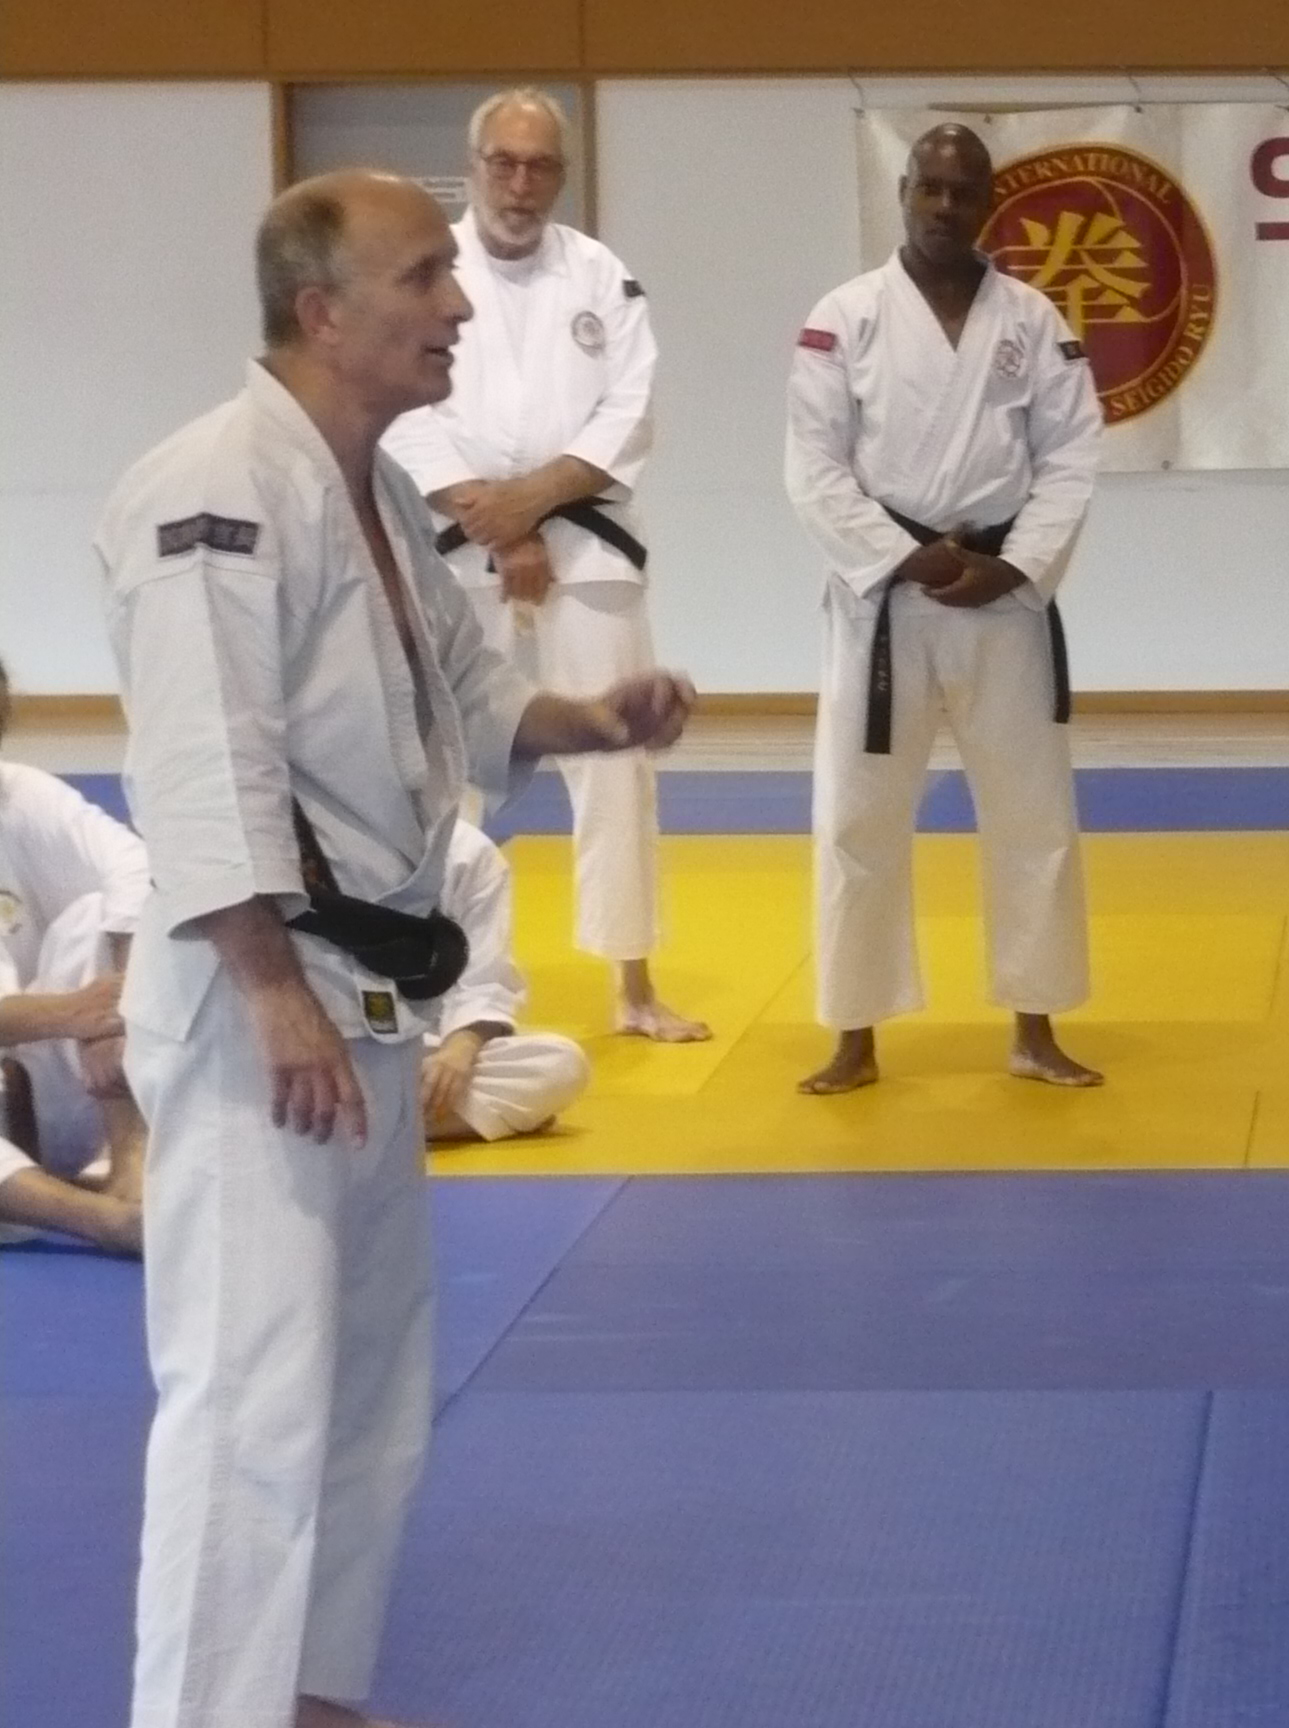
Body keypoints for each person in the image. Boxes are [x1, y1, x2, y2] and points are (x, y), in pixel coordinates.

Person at [99, 169, 696, 1728]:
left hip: (368, 993)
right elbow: (206, 761)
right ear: (323, 311)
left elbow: (464, 703)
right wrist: (270, 990)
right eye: (423, 277)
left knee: (368, 1385)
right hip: (262, 1006)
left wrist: (588, 720)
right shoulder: (215, 491)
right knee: (248, 1394)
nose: (456, 305)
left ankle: (313, 1693)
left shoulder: (372, 493)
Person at [381, 87, 705, 1043]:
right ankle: (442, 977)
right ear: (473, 167)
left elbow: (629, 412)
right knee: (445, 763)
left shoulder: (602, 276)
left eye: (541, 166)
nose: (521, 184)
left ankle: (633, 984)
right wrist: (497, 521)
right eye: (504, 163)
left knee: (618, 754)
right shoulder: (423, 269)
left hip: (588, 544)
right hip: (459, 538)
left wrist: (529, 506)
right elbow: (401, 404)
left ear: (562, 175)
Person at [787, 123, 1102, 1095]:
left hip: (1002, 593)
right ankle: (855, 1034)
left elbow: (1071, 454)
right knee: (857, 817)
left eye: (963, 192)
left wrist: (1019, 566)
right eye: (930, 187)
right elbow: (813, 466)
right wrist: (902, 555)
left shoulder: (1034, 320)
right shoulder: (845, 317)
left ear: (987, 202)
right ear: (904, 190)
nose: (944, 207)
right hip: (885, 601)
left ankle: (1035, 1027)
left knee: (1033, 814)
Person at [0, 658, 147, 1253]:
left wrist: (120, 1004)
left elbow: (137, 870)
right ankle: (107, 1221)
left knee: (99, 918)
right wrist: (72, 1012)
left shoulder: (21, 793)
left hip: (64, 1089)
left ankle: (131, 1167)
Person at [422, 826, 591, 1143]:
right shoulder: (330, 842)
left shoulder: (468, 851)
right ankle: (421, 1125)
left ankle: (375, 1128)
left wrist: (459, 1051)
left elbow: (485, 979)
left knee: (560, 1065)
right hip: (343, 1049)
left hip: (426, 1053)